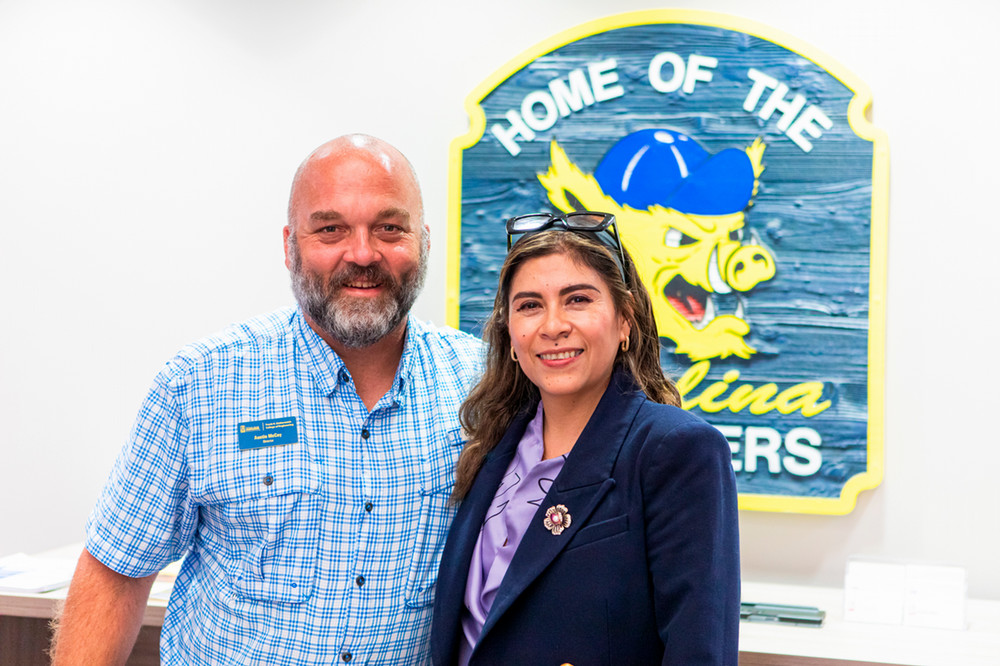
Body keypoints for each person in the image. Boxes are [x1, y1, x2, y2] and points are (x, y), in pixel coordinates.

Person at [50, 134, 482, 665]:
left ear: (425, 241)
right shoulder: (202, 383)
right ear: (289, 245)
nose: (363, 253)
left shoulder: (484, 386)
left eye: (389, 228)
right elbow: (115, 571)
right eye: (330, 229)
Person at [430, 212, 740, 665]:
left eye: (577, 299)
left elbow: (700, 653)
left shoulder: (678, 450)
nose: (552, 325)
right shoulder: (490, 444)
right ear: (511, 337)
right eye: (530, 305)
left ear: (625, 322)